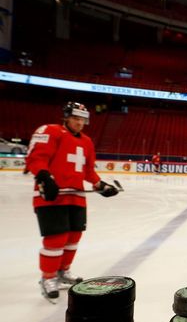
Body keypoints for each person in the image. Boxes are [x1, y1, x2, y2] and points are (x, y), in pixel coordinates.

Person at [26, 102, 119, 301]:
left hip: (76, 197)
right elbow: (36, 158)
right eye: (75, 118)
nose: (79, 122)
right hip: (52, 195)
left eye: (82, 119)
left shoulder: (86, 141)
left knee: (73, 238)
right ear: (66, 117)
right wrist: (44, 176)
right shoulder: (51, 131)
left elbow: (88, 172)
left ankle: (63, 271)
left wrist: (101, 186)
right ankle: (48, 277)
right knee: (56, 238)